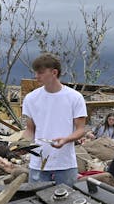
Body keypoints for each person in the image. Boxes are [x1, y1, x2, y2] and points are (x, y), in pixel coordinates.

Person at [22, 53, 87, 187]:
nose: (36, 76)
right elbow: (30, 130)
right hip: (38, 164)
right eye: (36, 72)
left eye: (40, 73)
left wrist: (66, 140)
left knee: (66, 203)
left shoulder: (75, 97)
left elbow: (81, 129)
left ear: (54, 72)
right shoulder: (30, 98)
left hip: (65, 163)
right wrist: (22, 144)